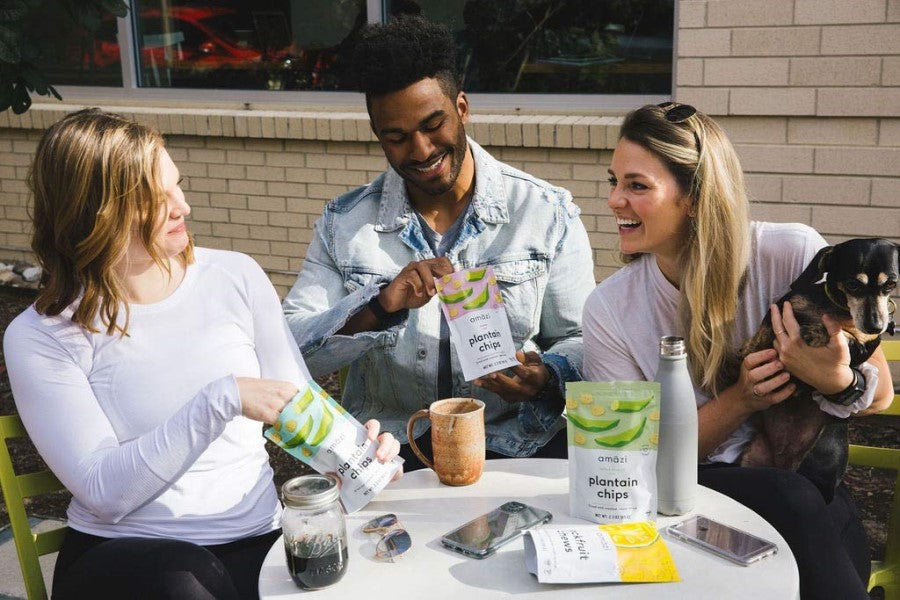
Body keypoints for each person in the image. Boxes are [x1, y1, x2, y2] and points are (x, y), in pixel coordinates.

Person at [3, 109, 400, 600]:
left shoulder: (234, 276)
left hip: (258, 543)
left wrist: (358, 457)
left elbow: (296, 403)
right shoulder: (43, 335)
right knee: (185, 580)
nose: (184, 206)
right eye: (157, 197)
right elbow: (103, 494)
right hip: (131, 561)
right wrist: (220, 399)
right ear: (96, 212)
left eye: (179, 185)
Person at [582, 102, 893, 599]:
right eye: (614, 181)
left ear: (695, 197)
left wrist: (834, 378)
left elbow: (879, 394)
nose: (615, 200)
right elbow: (635, 464)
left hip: (807, 484)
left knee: (809, 505)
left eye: (637, 186)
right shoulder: (610, 309)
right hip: (696, 493)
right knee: (795, 500)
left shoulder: (793, 255)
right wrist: (741, 400)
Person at [282, 15, 595, 467]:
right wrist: (379, 306)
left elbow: (581, 337)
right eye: (397, 137)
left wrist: (547, 376)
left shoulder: (544, 212)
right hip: (390, 451)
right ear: (378, 137)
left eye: (434, 125)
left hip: (515, 445)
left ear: (462, 108)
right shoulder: (345, 224)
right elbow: (292, 347)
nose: (422, 149)